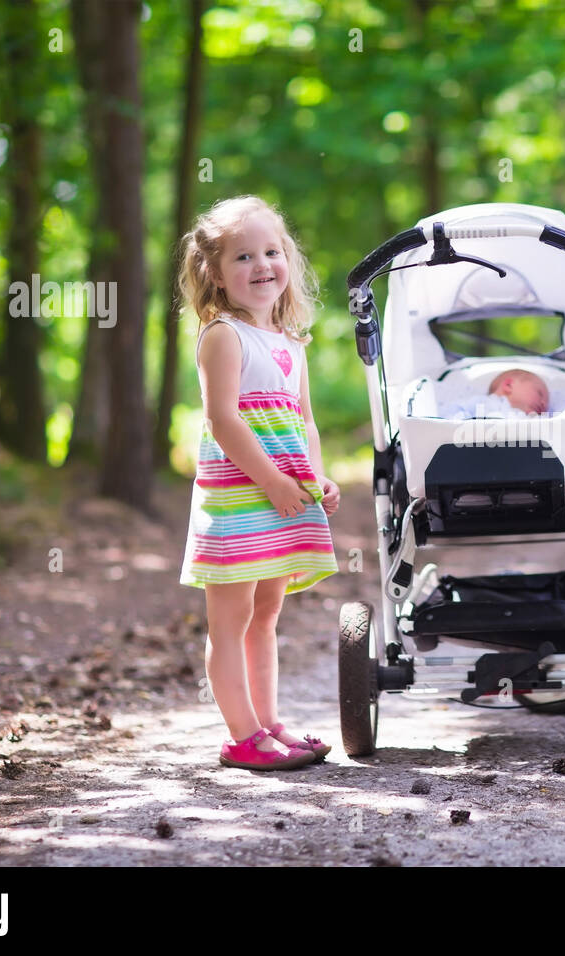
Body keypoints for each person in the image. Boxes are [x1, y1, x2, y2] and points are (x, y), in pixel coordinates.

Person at [177, 196, 340, 771]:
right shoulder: (223, 336)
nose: (262, 264)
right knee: (231, 618)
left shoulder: (293, 342)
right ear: (215, 274)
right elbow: (223, 419)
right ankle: (240, 735)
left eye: (272, 251)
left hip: (282, 493)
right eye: (243, 256)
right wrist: (272, 480)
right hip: (240, 496)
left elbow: (304, 421)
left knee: (267, 611)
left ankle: (270, 723)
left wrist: (313, 476)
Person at [444, 368, 550, 418]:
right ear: (508, 386)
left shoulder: (536, 420)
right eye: (540, 394)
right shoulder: (481, 403)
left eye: (547, 402)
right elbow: (450, 417)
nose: (544, 404)